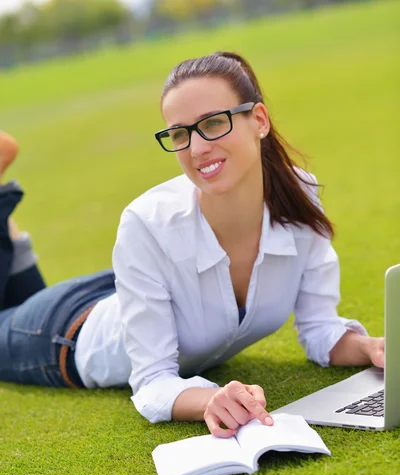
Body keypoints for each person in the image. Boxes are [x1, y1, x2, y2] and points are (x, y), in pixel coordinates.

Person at [0, 52, 384, 438]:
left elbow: (320, 329)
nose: (197, 148)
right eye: (181, 133)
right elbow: (152, 382)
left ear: (260, 121)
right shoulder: (146, 223)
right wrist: (208, 399)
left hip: (130, 297)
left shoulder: (299, 195)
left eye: (214, 122)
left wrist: (371, 348)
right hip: (67, 334)